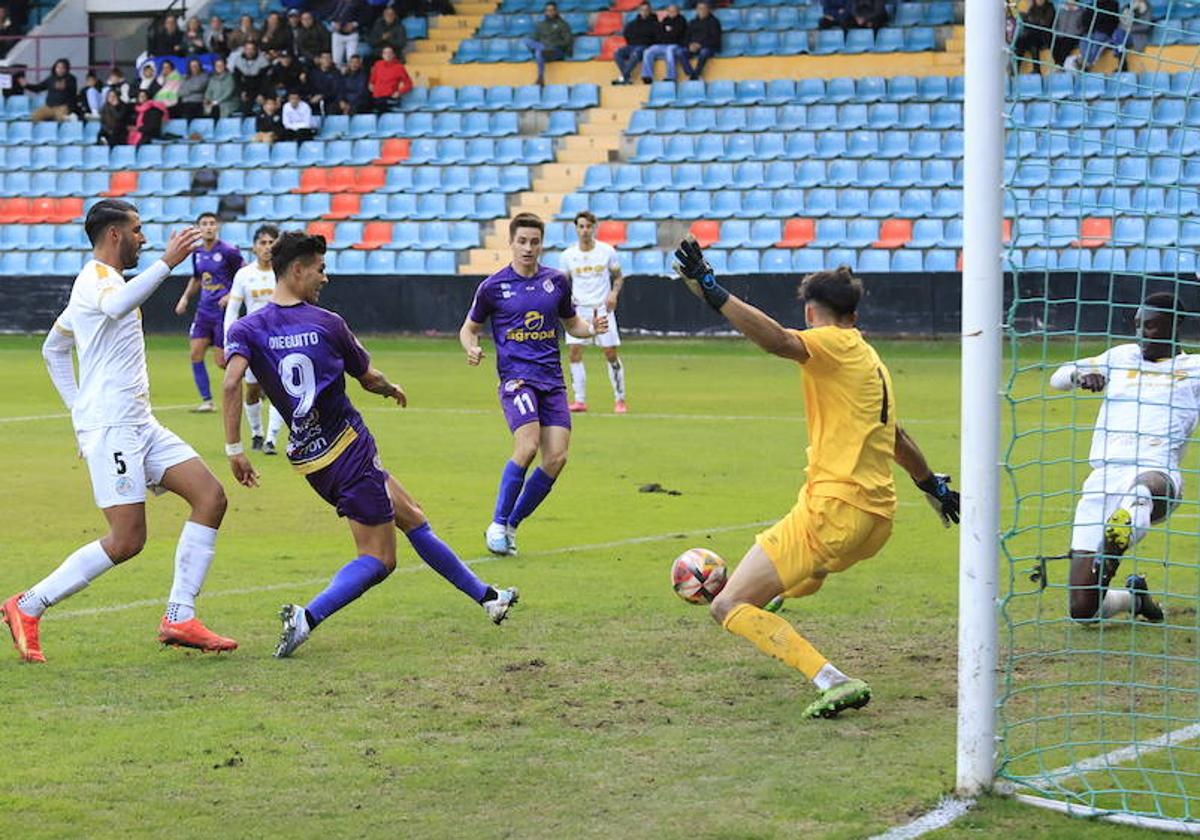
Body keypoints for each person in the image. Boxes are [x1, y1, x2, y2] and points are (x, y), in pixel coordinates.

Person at [670, 242, 960, 719]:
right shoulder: (869, 358)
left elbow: (778, 342)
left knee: (726, 607)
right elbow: (898, 437)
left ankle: (832, 679)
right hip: (875, 521)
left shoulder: (830, 344)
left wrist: (711, 290)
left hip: (834, 512)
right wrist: (933, 486)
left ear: (812, 312)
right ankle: (771, 597)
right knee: (805, 572)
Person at [222, 232, 520, 658]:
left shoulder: (249, 328)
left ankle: (489, 598)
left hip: (310, 458)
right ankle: (305, 618)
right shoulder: (328, 323)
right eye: (320, 269)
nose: (325, 277)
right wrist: (389, 389)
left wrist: (234, 449)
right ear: (297, 270)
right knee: (380, 559)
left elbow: (232, 382)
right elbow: (369, 377)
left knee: (413, 516)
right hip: (348, 448)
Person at [2, 200, 236, 663]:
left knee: (211, 497)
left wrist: (77, 408)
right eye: (138, 230)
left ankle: (179, 615)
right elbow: (117, 306)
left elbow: (53, 349)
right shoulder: (97, 282)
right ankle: (26, 606)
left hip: (138, 422)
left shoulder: (99, 285)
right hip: (112, 427)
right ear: (115, 235)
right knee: (127, 539)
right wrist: (167, 262)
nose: (144, 239)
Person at [459, 213, 608, 556]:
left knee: (556, 457)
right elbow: (469, 328)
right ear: (510, 243)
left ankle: (511, 525)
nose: (528, 248)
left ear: (542, 244)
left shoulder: (556, 282)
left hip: (552, 382)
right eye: (522, 241)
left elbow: (573, 325)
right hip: (516, 381)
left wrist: (593, 329)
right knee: (526, 446)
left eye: (534, 241)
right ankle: (496, 523)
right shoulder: (493, 287)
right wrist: (472, 347)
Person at [1049, 293, 1187, 625]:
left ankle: (1112, 551)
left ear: (1175, 324)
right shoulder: (1121, 356)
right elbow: (1058, 378)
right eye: (1138, 325)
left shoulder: (1193, 368)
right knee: (1082, 611)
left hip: (1158, 475)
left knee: (1141, 491)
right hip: (1102, 479)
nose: (1142, 333)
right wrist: (1080, 376)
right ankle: (1133, 599)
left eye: (1151, 326)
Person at [223, 225, 285, 454]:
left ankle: (271, 439)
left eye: (271, 243)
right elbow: (232, 311)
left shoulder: (283, 272)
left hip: (280, 340)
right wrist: (230, 342)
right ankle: (257, 432)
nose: (267, 247)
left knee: (280, 389)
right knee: (251, 390)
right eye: (263, 243)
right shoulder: (244, 274)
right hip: (252, 341)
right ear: (254, 247)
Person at [175, 212, 244, 413]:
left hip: (223, 313)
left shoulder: (229, 251)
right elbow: (198, 278)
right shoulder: (196, 253)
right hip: (204, 311)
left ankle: (255, 380)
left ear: (218, 227)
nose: (208, 227)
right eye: (204, 223)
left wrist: (231, 294)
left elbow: (245, 274)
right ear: (199, 228)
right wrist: (185, 298)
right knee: (195, 352)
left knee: (222, 361)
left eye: (212, 223)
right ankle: (207, 401)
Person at [560, 211, 627, 413]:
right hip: (578, 310)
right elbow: (562, 283)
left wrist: (614, 294)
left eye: (588, 226)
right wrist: (565, 302)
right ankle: (579, 400)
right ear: (576, 229)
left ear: (594, 228)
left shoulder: (607, 251)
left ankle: (620, 398)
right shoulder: (568, 255)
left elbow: (618, 277)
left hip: (602, 310)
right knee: (574, 353)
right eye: (581, 226)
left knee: (610, 353)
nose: (585, 230)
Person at [524, 2, 572, 87]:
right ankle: (540, 77)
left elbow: (567, 41)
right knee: (529, 42)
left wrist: (552, 45)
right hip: (543, 51)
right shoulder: (541, 25)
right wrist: (542, 47)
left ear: (556, 11)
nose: (550, 12)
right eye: (548, 10)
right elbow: (533, 39)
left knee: (539, 51)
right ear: (545, 12)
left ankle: (540, 77)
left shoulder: (563, 24)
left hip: (556, 51)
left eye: (552, 10)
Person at [612, 2, 659, 86]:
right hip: (632, 45)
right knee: (617, 53)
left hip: (645, 46)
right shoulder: (633, 23)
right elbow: (627, 34)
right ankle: (627, 76)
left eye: (646, 10)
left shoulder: (655, 23)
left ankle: (623, 77)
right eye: (642, 10)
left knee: (635, 53)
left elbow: (656, 38)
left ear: (650, 11)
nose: (644, 12)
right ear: (639, 11)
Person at [641, 4, 687, 83]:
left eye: (674, 11)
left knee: (669, 50)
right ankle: (647, 76)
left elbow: (676, 35)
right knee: (648, 51)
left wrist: (668, 34)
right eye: (670, 11)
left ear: (678, 12)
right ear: (667, 12)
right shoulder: (665, 20)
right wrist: (668, 33)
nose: (672, 13)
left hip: (676, 45)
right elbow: (660, 34)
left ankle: (671, 76)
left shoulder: (682, 20)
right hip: (664, 44)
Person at [677, 0, 720, 81]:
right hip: (693, 47)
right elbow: (686, 37)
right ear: (696, 10)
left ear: (708, 10)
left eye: (704, 9)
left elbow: (715, 39)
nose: (701, 11)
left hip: (707, 47)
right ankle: (690, 73)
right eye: (699, 9)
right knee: (680, 52)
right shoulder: (692, 22)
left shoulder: (714, 22)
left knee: (704, 52)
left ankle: (696, 74)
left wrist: (700, 45)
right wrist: (690, 45)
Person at [28, 58, 77, 122]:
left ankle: (70, 118)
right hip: (49, 107)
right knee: (34, 116)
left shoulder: (71, 79)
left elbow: (73, 92)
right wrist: (26, 85)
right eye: (58, 67)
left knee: (60, 118)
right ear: (55, 68)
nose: (60, 70)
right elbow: (38, 88)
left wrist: (66, 86)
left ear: (66, 69)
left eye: (62, 68)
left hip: (63, 107)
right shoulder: (51, 79)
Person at [1012, 0, 1056, 72]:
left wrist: (1028, 18)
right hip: (1032, 35)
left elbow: (1044, 23)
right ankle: (1015, 68)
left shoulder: (1050, 7)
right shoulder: (1033, 7)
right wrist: (1027, 15)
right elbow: (1028, 23)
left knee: (1032, 41)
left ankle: (1037, 69)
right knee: (1020, 42)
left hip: (1044, 35)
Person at [368, 45, 413, 110]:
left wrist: (399, 92)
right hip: (377, 97)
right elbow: (372, 79)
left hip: (389, 97)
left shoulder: (399, 67)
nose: (387, 55)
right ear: (382, 55)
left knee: (381, 106)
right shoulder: (378, 64)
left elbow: (409, 84)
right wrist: (370, 84)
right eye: (385, 53)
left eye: (390, 53)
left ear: (393, 55)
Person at [231, 40, 271, 112]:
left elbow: (265, 80)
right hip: (246, 90)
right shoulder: (238, 61)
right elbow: (236, 79)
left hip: (259, 89)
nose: (249, 51)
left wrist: (261, 93)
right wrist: (241, 92)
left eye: (252, 49)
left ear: (255, 50)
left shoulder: (263, 62)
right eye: (247, 49)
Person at [328, 0, 362, 66]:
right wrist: (334, 24)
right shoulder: (335, 2)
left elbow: (366, 16)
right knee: (336, 61)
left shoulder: (360, 2)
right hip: (337, 34)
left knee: (352, 60)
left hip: (352, 35)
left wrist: (354, 24)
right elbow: (328, 14)